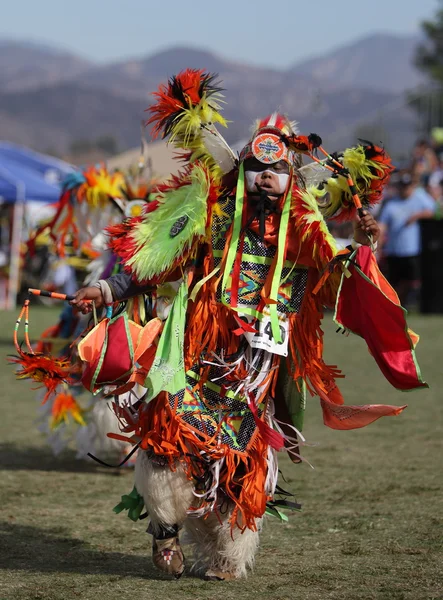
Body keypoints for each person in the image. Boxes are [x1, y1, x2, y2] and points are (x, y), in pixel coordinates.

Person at [70, 70, 426, 581]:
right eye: (256, 166)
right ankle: (164, 529)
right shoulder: (213, 221)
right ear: (241, 172)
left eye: (276, 169)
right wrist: (107, 289)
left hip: (256, 372)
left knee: (239, 458)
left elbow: (337, 278)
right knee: (168, 435)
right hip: (194, 356)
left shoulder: (306, 238)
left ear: (291, 180)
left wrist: (365, 245)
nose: (264, 176)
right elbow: (159, 263)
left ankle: (226, 556)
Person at [378, 171, 436, 308]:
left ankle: (406, 304)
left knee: (412, 280)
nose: (405, 189)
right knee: (394, 282)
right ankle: (397, 305)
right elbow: (382, 225)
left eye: (407, 186)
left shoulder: (419, 198)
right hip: (394, 250)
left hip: (411, 249)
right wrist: (378, 244)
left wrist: (417, 216)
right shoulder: (391, 204)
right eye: (402, 186)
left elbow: (433, 210)